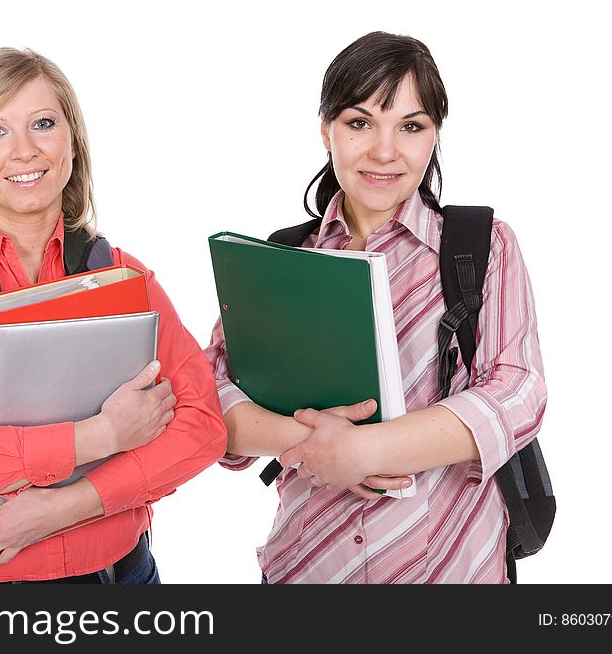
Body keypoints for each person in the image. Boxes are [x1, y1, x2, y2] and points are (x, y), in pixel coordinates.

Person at [204, 31, 547, 584]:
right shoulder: (284, 258)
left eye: (411, 127)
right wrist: (306, 444)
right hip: (308, 568)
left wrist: (366, 450)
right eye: (360, 122)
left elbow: (519, 391)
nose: (385, 151)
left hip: (452, 574)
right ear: (326, 130)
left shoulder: (481, 246)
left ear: (434, 136)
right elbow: (211, 393)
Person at [0, 47, 227, 583]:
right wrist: (102, 436)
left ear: (71, 140)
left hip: (123, 578)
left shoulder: (121, 274)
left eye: (43, 124)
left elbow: (202, 428)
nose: (25, 151)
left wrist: (64, 508)